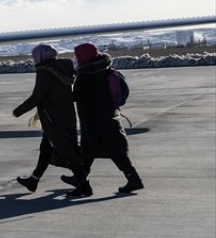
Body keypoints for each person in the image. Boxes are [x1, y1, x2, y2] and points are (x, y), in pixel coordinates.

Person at [11, 44, 87, 193]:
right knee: (46, 148)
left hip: (53, 118)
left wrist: (18, 111)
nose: (34, 60)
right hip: (64, 115)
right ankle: (33, 180)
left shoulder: (45, 72)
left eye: (35, 56)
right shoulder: (63, 67)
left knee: (67, 149)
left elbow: (37, 96)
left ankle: (84, 185)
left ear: (41, 56)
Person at [71, 43, 143, 195]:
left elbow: (76, 96)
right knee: (93, 150)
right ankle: (80, 180)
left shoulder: (86, 75)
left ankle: (133, 179)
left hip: (95, 121)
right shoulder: (106, 70)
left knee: (105, 151)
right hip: (109, 117)